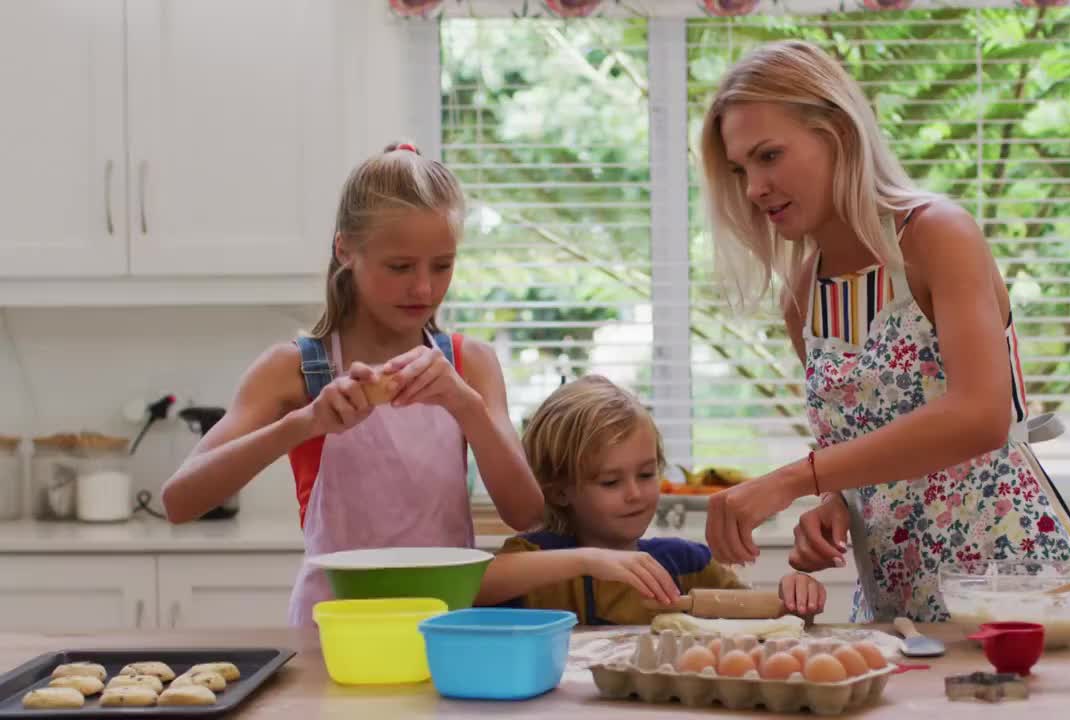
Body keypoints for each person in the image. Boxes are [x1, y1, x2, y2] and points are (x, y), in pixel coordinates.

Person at [697, 40, 1070, 622]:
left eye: (770, 156)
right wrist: (833, 505)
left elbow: (980, 415)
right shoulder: (803, 296)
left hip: (1012, 591)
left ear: (837, 132)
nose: (753, 188)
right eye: (740, 169)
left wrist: (794, 481)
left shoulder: (936, 236)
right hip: (893, 605)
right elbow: (857, 452)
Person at [160, 141, 543, 626]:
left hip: (446, 630)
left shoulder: (471, 365)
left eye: (442, 265)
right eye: (400, 267)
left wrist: (464, 405)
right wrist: (306, 422)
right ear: (346, 249)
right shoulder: (295, 369)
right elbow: (179, 501)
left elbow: (526, 513)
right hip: (333, 639)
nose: (424, 288)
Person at [475, 375, 826, 625]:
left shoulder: (687, 564)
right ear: (560, 490)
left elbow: (757, 616)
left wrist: (793, 601)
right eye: (610, 481)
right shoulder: (536, 561)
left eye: (646, 474)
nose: (635, 493)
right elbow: (474, 587)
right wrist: (587, 560)